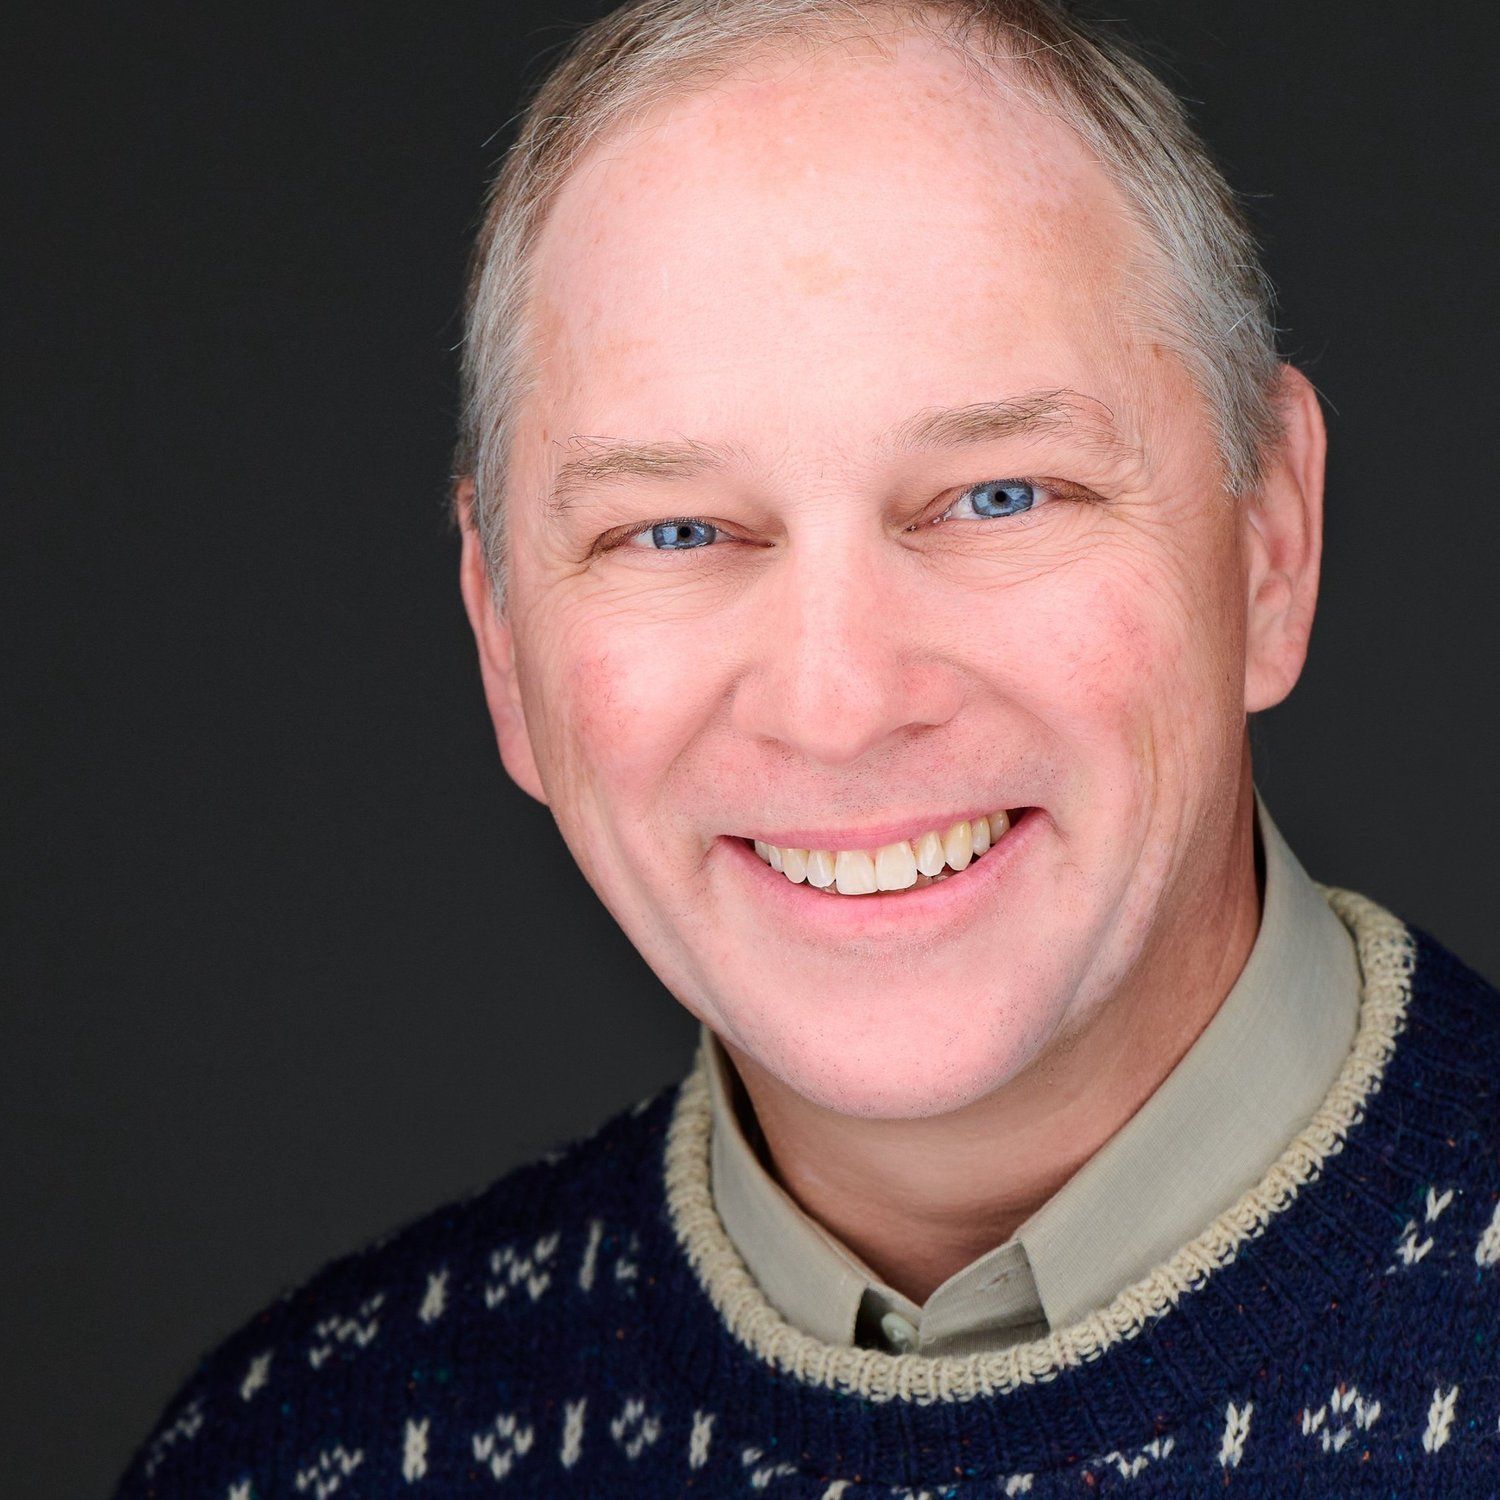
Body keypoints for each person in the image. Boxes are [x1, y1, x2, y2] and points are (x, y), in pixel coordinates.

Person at [111, 1, 1500, 1494]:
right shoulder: (307, 1455)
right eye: (679, 530)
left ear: (1269, 543)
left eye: (999, 495)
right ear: (504, 643)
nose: (840, 704)